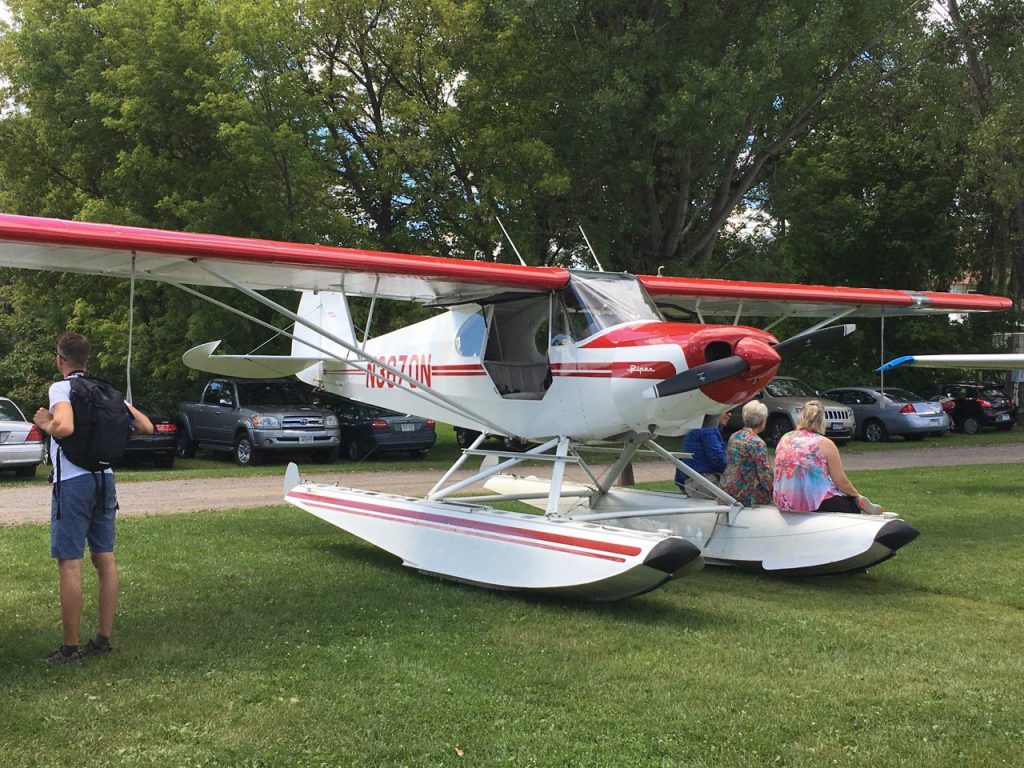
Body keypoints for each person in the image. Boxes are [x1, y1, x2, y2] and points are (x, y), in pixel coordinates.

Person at [33, 331, 153, 665]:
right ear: (87, 359)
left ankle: (70, 650)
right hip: (105, 480)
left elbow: (65, 427)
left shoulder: (62, 388)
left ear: (60, 359)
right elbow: (145, 426)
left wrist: (45, 422)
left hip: (73, 482)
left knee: (71, 562)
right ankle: (102, 639)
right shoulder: (107, 389)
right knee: (105, 559)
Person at [773, 400, 881, 514]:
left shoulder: (785, 438)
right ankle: (858, 502)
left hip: (783, 499)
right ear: (822, 421)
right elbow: (841, 482)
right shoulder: (824, 443)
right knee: (851, 505)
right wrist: (856, 495)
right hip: (811, 502)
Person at [720, 401, 773, 506]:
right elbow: (765, 475)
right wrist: (774, 490)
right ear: (762, 421)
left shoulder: (734, 436)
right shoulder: (757, 443)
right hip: (744, 494)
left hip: (726, 487)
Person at [675, 411, 730, 497]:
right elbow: (718, 462)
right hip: (703, 483)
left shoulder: (694, 430)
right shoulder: (708, 431)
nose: (729, 414)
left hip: (691, 483)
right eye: (726, 411)